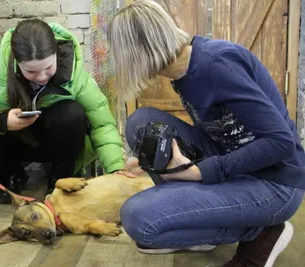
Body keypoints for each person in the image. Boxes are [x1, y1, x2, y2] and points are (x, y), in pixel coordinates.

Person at [107, 1, 305, 266]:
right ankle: (204, 217)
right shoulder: (182, 69)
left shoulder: (216, 65)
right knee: (141, 124)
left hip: (275, 183)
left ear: (139, 51)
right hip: (235, 160)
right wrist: (152, 160)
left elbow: (281, 143)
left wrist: (200, 172)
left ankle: (263, 231)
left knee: (139, 220)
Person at [0, 18, 134, 209]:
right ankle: (10, 177)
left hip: (53, 141)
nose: (41, 77)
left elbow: (102, 123)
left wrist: (115, 168)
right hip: (11, 140)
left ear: (56, 54)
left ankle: (60, 182)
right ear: (15, 60)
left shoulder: (73, 71)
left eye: (48, 68)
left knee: (72, 113)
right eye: (31, 71)